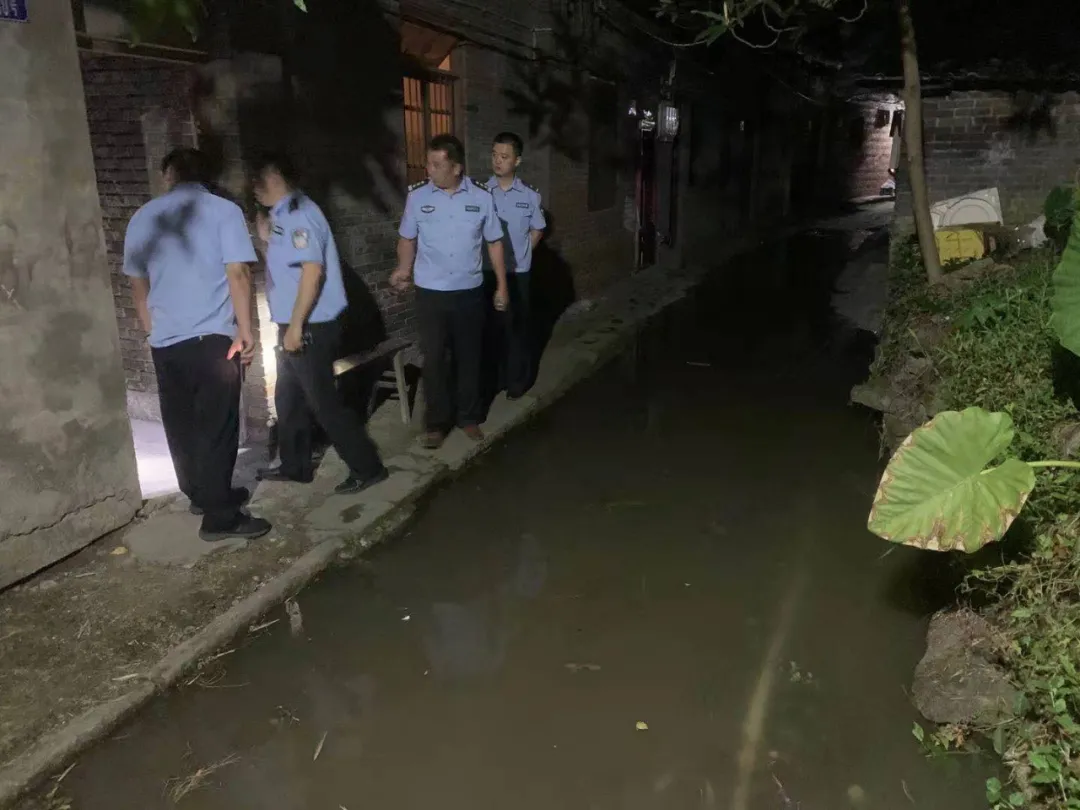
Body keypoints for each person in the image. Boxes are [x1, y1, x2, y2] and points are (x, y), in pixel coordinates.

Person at [123, 147, 271, 542]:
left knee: (181, 423)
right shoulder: (223, 212)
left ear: (167, 175)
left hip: (166, 340)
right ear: (204, 177)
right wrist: (246, 331)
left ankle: (204, 494)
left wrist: (151, 328)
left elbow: (138, 283)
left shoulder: (142, 217)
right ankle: (221, 517)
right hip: (211, 340)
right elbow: (238, 274)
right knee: (217, 426)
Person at [250, 153, 388, 495]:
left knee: (323, 403)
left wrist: (296, 327)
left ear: (276, 179)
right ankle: (296, 465)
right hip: (292, 323)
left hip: (310, 325)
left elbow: (312, 272)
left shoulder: (301, 215)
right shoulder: (282, 216)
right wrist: (265, 239)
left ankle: (367, 467)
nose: (253, 190)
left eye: (258, 182)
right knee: (288, 398)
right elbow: (286, 268)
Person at [391, 134, 509, 449]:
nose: (428, 169)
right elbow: (407, 239)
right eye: (428, 162)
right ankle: (437, 424)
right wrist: (404, 268)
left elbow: (494, 242)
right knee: (435, 361)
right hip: (431, 293)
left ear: (456, 167)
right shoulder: (418, 197)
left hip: (469, 293)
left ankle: (468, 418)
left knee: (470, 357)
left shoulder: (482, 197)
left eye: (436, 164)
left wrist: (501, 285)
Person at [486, 132, 546, 399]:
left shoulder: (530, 197)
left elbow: (538, 229)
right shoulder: (481, 193)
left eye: (505, 156)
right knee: (491, 328)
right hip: (487, 272)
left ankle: (517, 382)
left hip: (518, 273)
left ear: (517, 160)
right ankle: (495, 379)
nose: (498, 161)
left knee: (517, 328)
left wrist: (524, 253)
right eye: (495, 155)